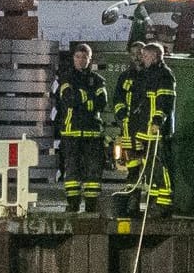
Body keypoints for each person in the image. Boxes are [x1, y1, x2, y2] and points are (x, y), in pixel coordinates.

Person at [53, 43, 107, 214]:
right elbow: (68, 100)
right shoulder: (66, 78)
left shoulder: (98, 80)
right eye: (77, 57)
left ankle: (91, 206)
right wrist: (88, 99)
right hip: (72, 131)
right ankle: (73, 204)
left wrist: (83, 99)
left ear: (90, 60)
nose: (81, 60)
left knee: (93, 171)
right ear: (73, 58)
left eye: (84, 57)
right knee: (72, 170)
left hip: (92, 132)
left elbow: (101, 102)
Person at [126, 41, 176, 211]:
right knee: (149, 167)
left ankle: (164, 201)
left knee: (159, 165)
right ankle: (153, 201)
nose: (142, 58)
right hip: (143, 130)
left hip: (155, 130)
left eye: (146, 55)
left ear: (155, 57)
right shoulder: (145, 75)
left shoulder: (164, 75)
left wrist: (157, 121)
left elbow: (164, 102)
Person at [111, 41, 146, 193]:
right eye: (133, 54)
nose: (136, 57)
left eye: (139, 53)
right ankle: (133, 198)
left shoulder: (150, 75)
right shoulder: (125, 77)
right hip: (128, 127)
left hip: (145, 126)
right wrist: (122, 114)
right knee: (132, 163)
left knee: (148, 162)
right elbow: (117, 98)